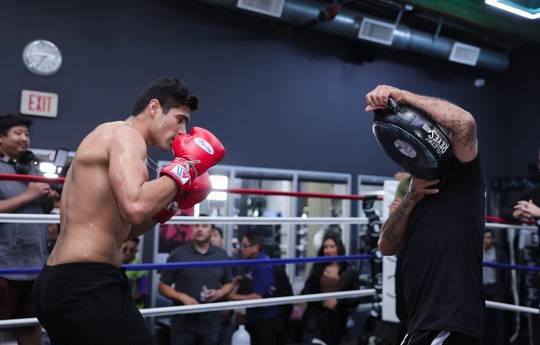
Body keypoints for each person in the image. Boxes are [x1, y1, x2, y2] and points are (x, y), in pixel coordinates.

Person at [32, 77, 225, 345]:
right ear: (154, 107)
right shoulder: (125, 136)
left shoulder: (118, 143)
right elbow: (136, 206)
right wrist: (187, 167)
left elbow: (126, 228)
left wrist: (172, 205)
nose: (183, 131)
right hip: (85, 284)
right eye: (180, 119)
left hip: (67, 282)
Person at [368, 85, 484, 345]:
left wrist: (403, 97)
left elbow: (465, 123)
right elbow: (386, 245)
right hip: (419, 321)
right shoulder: (413, 191)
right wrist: (412, 197)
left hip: (449, 321)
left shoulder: (462, 177)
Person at [0, 114, 56, 345]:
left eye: (27, 134)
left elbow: (46, 208)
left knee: (31, 326)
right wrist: (29, 195)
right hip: (4, 267)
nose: (25, 138)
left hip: (34, 264)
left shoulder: (31, 167)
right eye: (18, 133)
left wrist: (47, 197)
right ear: (1, 138)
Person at [159, 217, 233, 345]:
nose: (200, 229)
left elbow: (229, 283)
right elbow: (162, 286)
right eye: (196, 226)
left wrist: (219, 293)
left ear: (212, 230)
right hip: (182, 325)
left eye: (204, 226)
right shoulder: (178, 254)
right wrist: (182, 297)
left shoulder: (221, 255)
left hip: (211, 324)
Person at [300, 232, 359, 345]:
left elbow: (355, 299)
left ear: (339, 248)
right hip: (314, 322)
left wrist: (337, 302)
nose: (328, 250)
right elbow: (305, 292)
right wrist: (323, 301)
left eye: (332, 246)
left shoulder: (350, 270)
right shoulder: (317, 268)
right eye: (326, 247)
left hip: (336, 324)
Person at [228, 231, 279, 345]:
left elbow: (257, 297)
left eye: (245, 246)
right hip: (252, 317)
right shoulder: (250, 261)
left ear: (255, 247)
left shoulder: (262, 264)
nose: (242, 249)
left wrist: (233, 297)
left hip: (264, 320)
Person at [482, 230, 509, 345]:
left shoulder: (498, 253)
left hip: (495, 288)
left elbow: (506, 273)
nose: (485, 240)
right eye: (484, 237)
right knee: (483, 320)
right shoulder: (477, 251)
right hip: (481, 289)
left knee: (498, 320)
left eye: (488, 237)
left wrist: (504, 289)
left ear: (492, 239)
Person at [122, 237, 150, 308]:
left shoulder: (140, 268)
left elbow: (143, 292)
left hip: (133, 309)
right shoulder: (112, 262)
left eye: (132, 250)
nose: (128, 253)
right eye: (125, 249)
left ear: (136, 251)